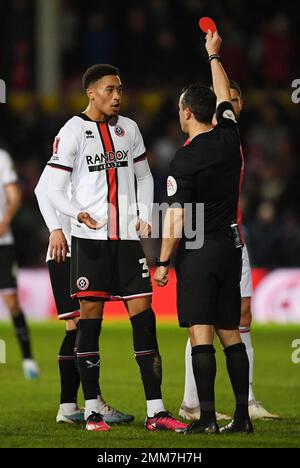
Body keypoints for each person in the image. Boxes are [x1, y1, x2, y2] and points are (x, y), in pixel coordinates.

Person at [46, 63, 187, 433]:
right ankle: (92, 409)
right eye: (109, 89)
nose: (117, 96)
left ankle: (156, 411)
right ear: (90, 92)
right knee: (89, 325)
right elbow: (49, 190)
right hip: (90, 243)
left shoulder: (130, 129)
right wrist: (76, 214)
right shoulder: (72, 131)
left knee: (145, 319)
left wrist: (142, 213)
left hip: (127, 242)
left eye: (120, 89)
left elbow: (143, 175)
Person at [154, 30, 253, 434]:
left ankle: (207, 418)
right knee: (231, 332)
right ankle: (242, 417)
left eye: (180, 109)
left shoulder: (185, 158)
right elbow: (224, 97)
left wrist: (162, 261)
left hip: (199, 248)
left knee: (201, 333)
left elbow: (176, 217)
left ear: (187, 113)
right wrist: (214, 56)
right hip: (232, 246)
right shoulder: (231, 138)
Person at [179, 80, 280, 421]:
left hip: (233, 238)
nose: (231, 104)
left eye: (236, 100)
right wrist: (190, 247)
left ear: (243, 103)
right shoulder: (215, 142)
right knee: (204, 321)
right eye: (227, 99)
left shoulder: (225, 141)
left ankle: (243, 403)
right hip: (212, 241)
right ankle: (195, 403)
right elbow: (186, 207)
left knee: (239, 315)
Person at [35, 166, 135, 425]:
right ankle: (92, 402)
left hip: (84, 248)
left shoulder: (86, 156)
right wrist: (55, 229)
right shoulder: (70, 145)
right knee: (81, 325)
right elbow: (40, 190)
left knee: (76, 326)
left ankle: (69, 406)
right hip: (67, 249)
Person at [0, 147, 39, 379]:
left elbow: (14, 195)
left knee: (12, 301)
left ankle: (28, 359)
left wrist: (5, 220)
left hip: (2, 242)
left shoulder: (2, 157)